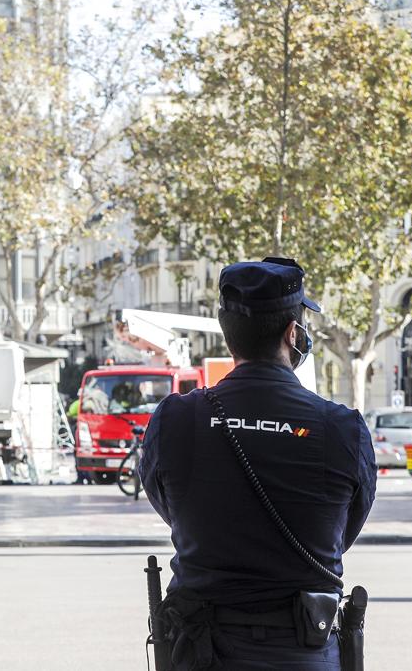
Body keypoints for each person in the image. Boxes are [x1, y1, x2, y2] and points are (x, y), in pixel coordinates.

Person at [139, 257, 377, 670]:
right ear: (293, 333)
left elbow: (170, 507)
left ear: (229, 338)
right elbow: (343, 530)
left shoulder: (175, 420)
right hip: (304, 651)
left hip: (202, 652)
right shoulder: (343, 429)